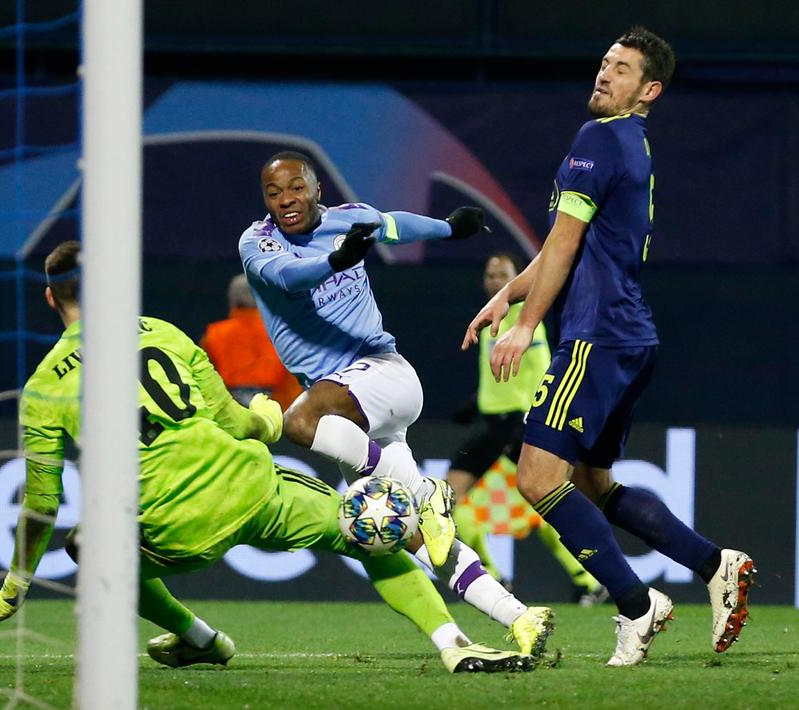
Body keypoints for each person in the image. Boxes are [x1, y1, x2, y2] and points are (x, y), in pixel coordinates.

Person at [0, 241, 536, 674]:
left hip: (171, 527)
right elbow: (234, 423)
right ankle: (454, 644)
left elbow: (41, 503)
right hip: (254, 487)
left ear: (51, 297)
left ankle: (199, 637)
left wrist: (11, 592)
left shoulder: (45, 386)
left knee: (88, 546)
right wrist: (268, 418)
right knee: (367, 530)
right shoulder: (165, 333)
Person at [463, 27, 754, 666]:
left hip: (594, 334)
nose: (604, 74)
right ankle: (714, 564)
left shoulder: (598, 138)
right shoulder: (630, 142)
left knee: (537, 479)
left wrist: (523, 326)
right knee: (592, 484)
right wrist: (505, 298)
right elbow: (562, 244)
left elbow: (564, 248)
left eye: (621, 69)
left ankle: (634, 605)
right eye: (604, 63)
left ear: (647, 90)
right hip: (628, 335)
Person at [239, 151, 554, 653]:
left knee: (299, 421)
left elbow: (392, 225)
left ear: (317, 189)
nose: (286, 201)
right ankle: (520, 617)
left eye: (296, 187)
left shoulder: (349, 220)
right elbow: (286, 278)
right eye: (274, 193)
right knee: (411, 537)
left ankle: (429, 494)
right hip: (352, 411)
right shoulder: (257, 242)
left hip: (381, 375)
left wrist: (449, 228)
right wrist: (336, 261)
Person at [448, 252, 607, 605]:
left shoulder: (526, 315)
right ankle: (492, 577)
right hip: (492, 426)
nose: (494, 280)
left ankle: (590, 579)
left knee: (544, 499)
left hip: (519, 424)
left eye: (502, 274)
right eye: (490, 274)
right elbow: (503, 375)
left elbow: (540, 367)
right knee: (448, 499)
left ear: (518, 277)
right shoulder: (492, 319)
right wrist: (476, 402)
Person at [200, 274, 302, 409]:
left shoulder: (213, 334)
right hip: (274, 408)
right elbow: (294, 381)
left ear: (232, 298)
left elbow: (204, 379)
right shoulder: (283, 334)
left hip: (228, 408)